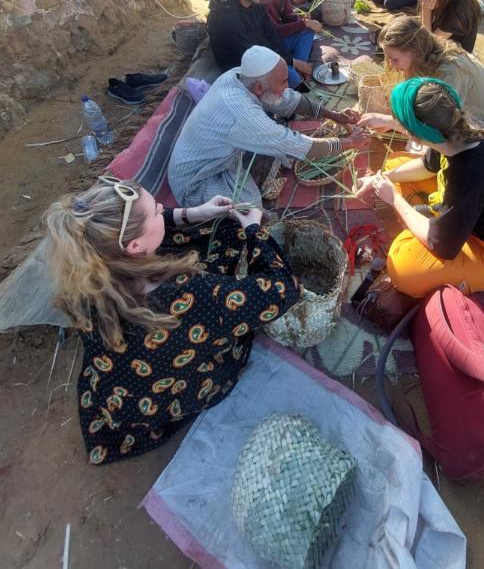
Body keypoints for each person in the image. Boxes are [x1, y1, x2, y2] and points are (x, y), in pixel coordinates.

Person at [44, 177, 301, 465]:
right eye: (156, 210)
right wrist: (254, 228)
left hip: (119, 393)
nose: (163, 209)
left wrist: (192, 213)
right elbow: (285, 289)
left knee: (222, 230)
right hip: (168, 394)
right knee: (234, 237)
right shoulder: (190, 296)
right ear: (135, 245)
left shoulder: (86, 272)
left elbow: (140, 230)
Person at [355, 78, 484, 299]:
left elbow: (441, 246)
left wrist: (395, 198)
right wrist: (382, 179)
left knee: (404, 270)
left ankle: (435, 224)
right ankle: (434, 218)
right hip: (475, 213)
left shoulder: (470, 176)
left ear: (415, 134)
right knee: (394, 164)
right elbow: (429, 165)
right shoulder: (454, 135)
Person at [169, 46, 365, 208]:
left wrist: (334, 115)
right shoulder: (242, 112)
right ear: (259, 88)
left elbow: (289, 100)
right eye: (283, 82)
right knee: (250, 206)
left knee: (274, 145)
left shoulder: (239, 75)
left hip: (218, 155)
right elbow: (299, 145)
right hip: (196, 182)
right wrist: (350, 142)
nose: (287, 87)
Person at [358, 16, 484, 130]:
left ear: (414, 51)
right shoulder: (423, 58)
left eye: (394, 59)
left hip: (483, 120)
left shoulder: (450, 70)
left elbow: (442, 123)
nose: (391, 65)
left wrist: (390, 122)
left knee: (430, 146)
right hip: (458, 107)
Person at [207, 0, 311, 89]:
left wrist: (288, 61)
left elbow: (273, 37)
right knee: (293, 79)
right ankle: (294, 72)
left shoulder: (256, 4)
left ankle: (293, 70)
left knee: (305, 33)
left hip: (265, 53)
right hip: (246, 70)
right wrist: (292, 62)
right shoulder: (225, 19)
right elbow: (250, 59)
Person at [260, 0, 321, 75]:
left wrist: (300, 18)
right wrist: (303, 24)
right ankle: (297, 67)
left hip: (283, 40)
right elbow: (277, 31)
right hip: (272, 47)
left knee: (308, 31)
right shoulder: (261, 2)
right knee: (306, 28)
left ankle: (299, 66)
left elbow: (287, 14)